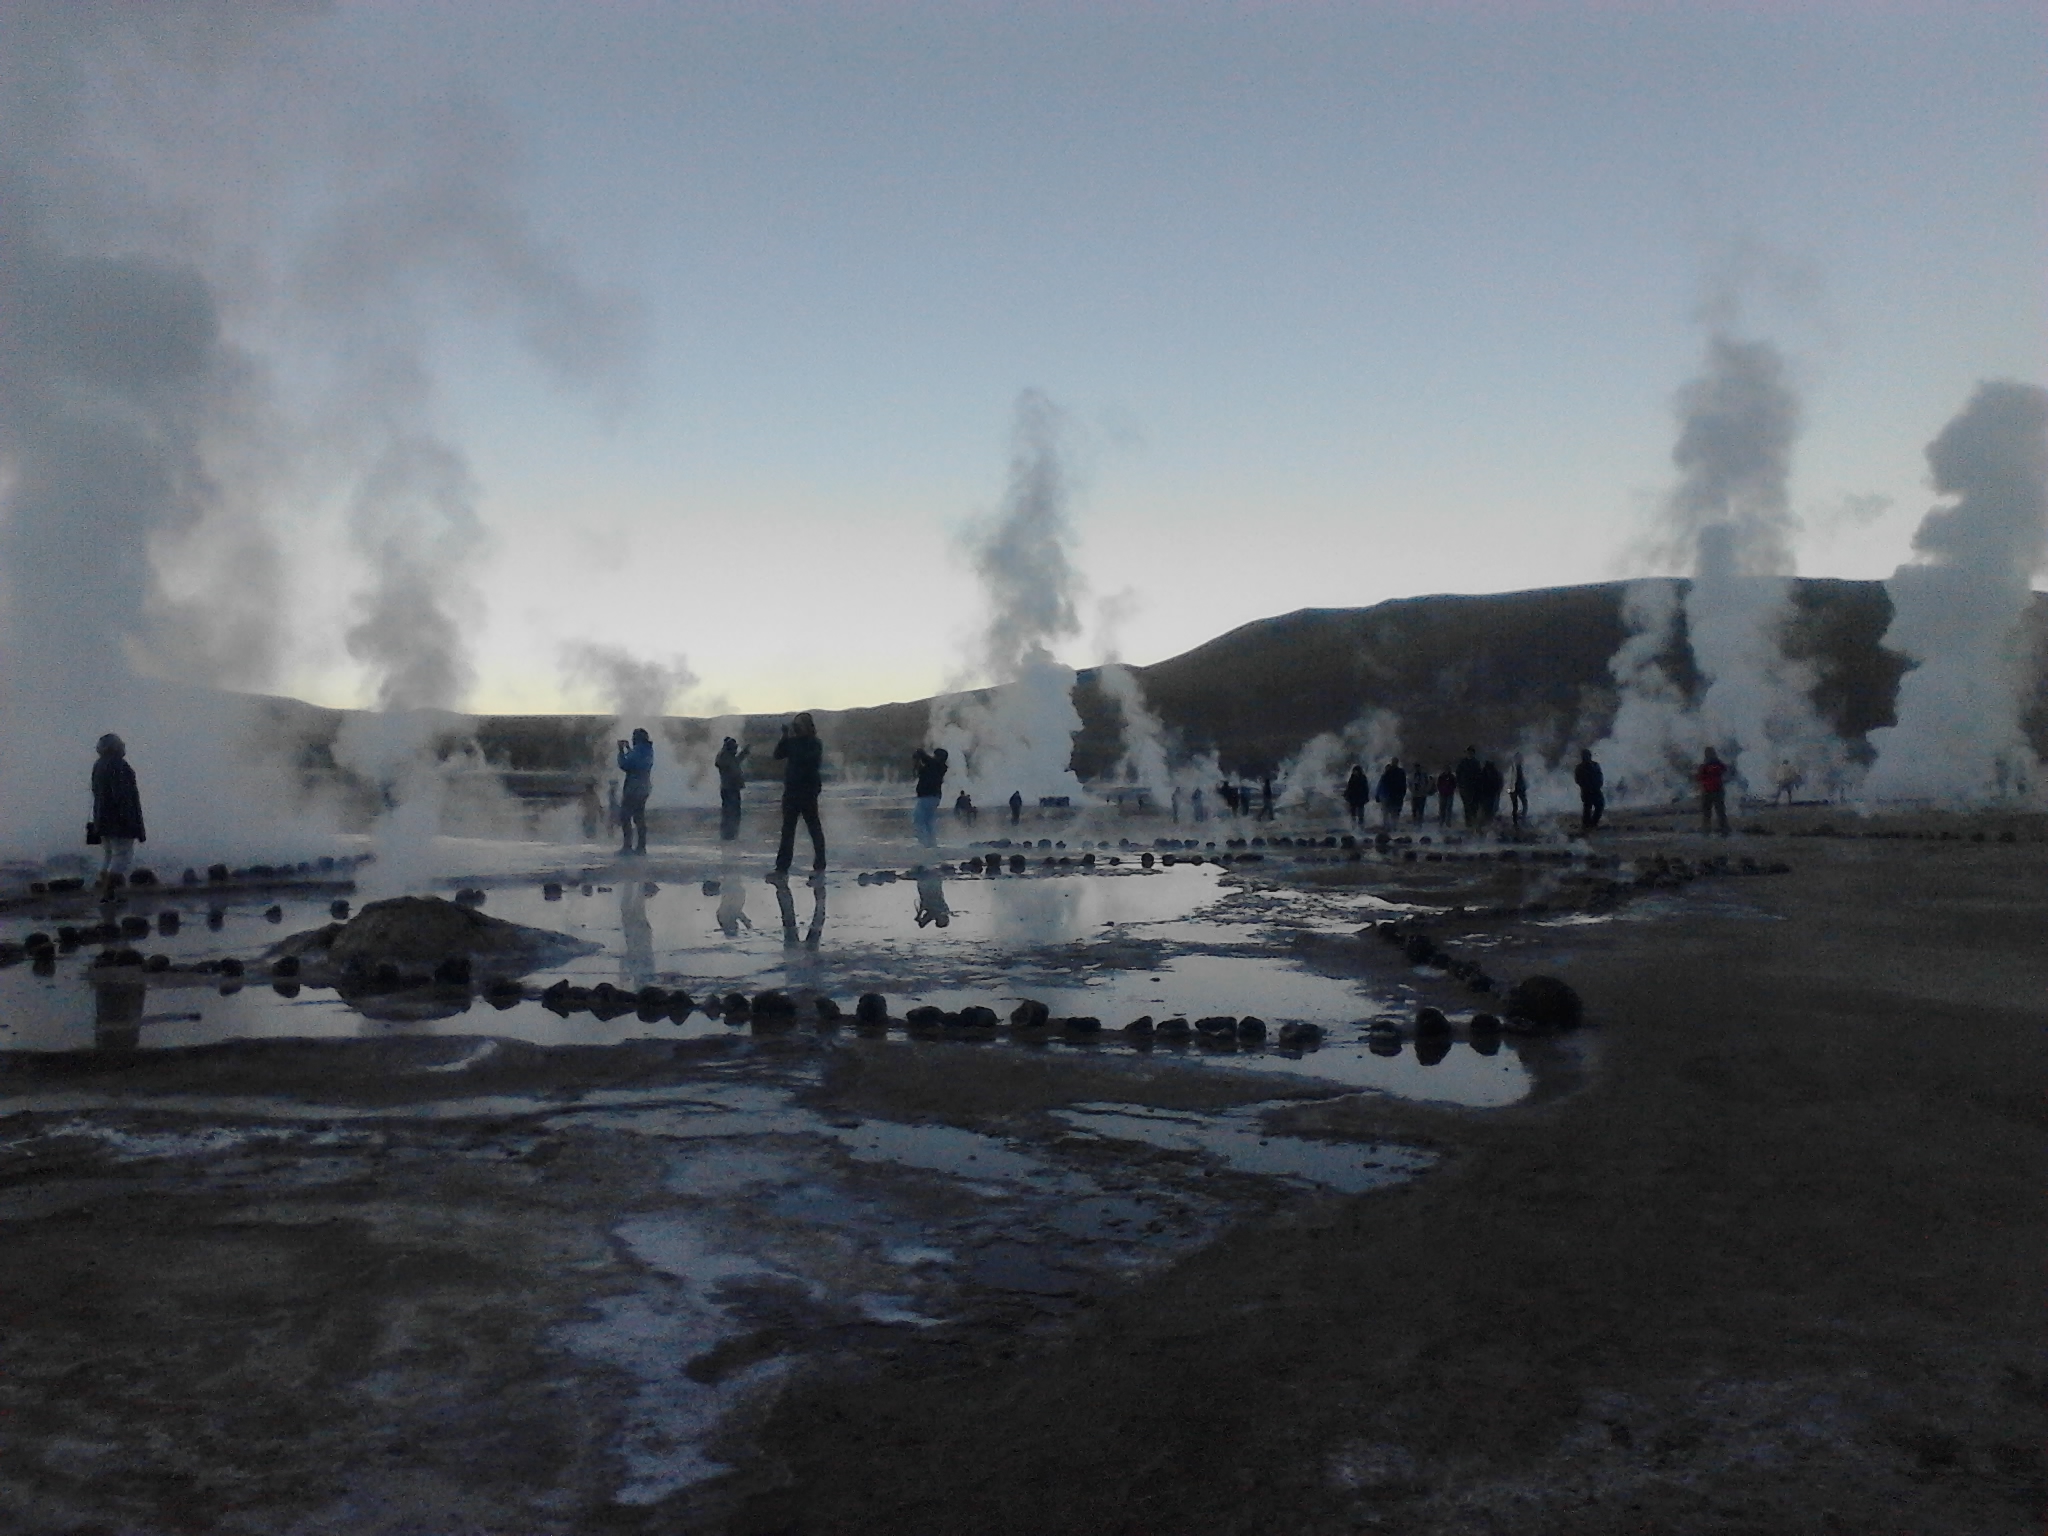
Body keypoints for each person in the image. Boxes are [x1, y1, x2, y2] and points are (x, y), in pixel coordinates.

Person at [89, 733, 146, 891]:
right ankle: (111, 890)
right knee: (123, 856)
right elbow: (123, 797)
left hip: (102, 819)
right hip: (119, 821)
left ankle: (101, 886)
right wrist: (131, 822)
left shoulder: (99, 765)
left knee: (109, 855)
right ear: (115, 747)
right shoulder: (119, 766)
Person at [772, 713, 826, 875]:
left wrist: (795, 741)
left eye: (799, 724)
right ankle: (782, 867)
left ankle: (820, 862)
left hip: (807, 791)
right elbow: (777, 755)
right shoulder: (792, 742)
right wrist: (785, 737)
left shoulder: (814, 743)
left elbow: (807, 759)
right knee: (787, 831)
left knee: (814, 828)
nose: (796, 727)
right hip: (791, 791)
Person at [616, 728, 653, 855]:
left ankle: (627, 846)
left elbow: (625, 765)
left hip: (633, 788)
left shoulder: (639, 750)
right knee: (639, 817)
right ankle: (641, 846)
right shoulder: (647, 750)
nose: (632, 739)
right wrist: (629, 749)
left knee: (625, 816)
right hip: (644, 788)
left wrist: (621, 751)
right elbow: (637, 761)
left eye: (633, 737)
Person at [911, 746, 948, 847]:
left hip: (928, 796)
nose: (934, 757)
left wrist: (920, 752)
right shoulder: (936, 767)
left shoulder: (937, 765)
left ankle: (924, 843)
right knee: (928, 821)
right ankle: (931, 843)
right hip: (932, 797)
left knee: (918, 819)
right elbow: (921, 771)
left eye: (936, 755)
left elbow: (928, 760)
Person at [714, 736, 749, 841]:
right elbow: (721, 764)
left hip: (733, 788)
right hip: (729, 789)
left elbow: (736, 761)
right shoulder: (724, 756)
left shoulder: (729, 757)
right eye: (734, 747)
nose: (736, 749)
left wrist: (744, 753)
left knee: (734, 812)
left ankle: (732, 833)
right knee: (730, 812)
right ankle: (727, 834)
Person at [1698, 746, 1731, 836]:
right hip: (1717, 790)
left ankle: (1706, 830)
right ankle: (1724, 829)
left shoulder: (1705, 766)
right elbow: (1725, 770)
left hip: (1708, 791)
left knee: (1707, 813)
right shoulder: (1718, 764)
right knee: (1720, 811)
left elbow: (1700, 777)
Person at [1573, 748, 1605, 832]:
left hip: (1595, 789)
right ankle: (1586, 824)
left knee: (1600, 806)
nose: (1587, 757)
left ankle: (1593, 823)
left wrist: (1599, 784)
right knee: (1587, 808)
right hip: (1586, 790)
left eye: (1588, 755)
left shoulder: (1595, 765)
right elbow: (1577, 779)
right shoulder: (1580, 768)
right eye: (1585, 756)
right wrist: (1585, 786)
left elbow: (1600, 775)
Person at [1375, 759, 1407, 831]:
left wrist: (1378, 795)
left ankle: (1389, 827)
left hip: (1392, 795)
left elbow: (1382, 783)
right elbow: (1404, 784)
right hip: (1394, 795)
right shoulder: (1399, 772)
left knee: (1389, 812)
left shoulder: (1390, 772)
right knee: (1393, 812)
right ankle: (1393, 827)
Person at [1456, 747, 1483, 828]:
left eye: (1471, 752)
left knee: (1474, 807)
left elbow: (1479, 775)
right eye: (1468, 752)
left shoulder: (1476, 763)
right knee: (1467, 806)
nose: (1469, 754)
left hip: (1474, 788)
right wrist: (1460, 784)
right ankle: (1468, 824)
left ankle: (1473, 822)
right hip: (1465, 787)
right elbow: (1458, 774)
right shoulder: (1463, 762)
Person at [1479, 760, 1504, 826]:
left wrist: (1498, 791)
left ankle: (1489, 821)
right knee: (1488, 808)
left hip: (1492, 793)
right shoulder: (1484, 773)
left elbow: (1499, 783)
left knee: (1491, 808)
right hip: (1486, 793)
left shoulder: (1493, 773)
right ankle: (1487, 821)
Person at [1509, 758, 1529, 829]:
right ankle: (1518, 821)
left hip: (1516, 789)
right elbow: (1516, 780)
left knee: (1517, 806)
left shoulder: (1514, 768)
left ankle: (1517, 821)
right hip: (1517, 789)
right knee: (1521, 805)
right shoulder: (1516, 768)